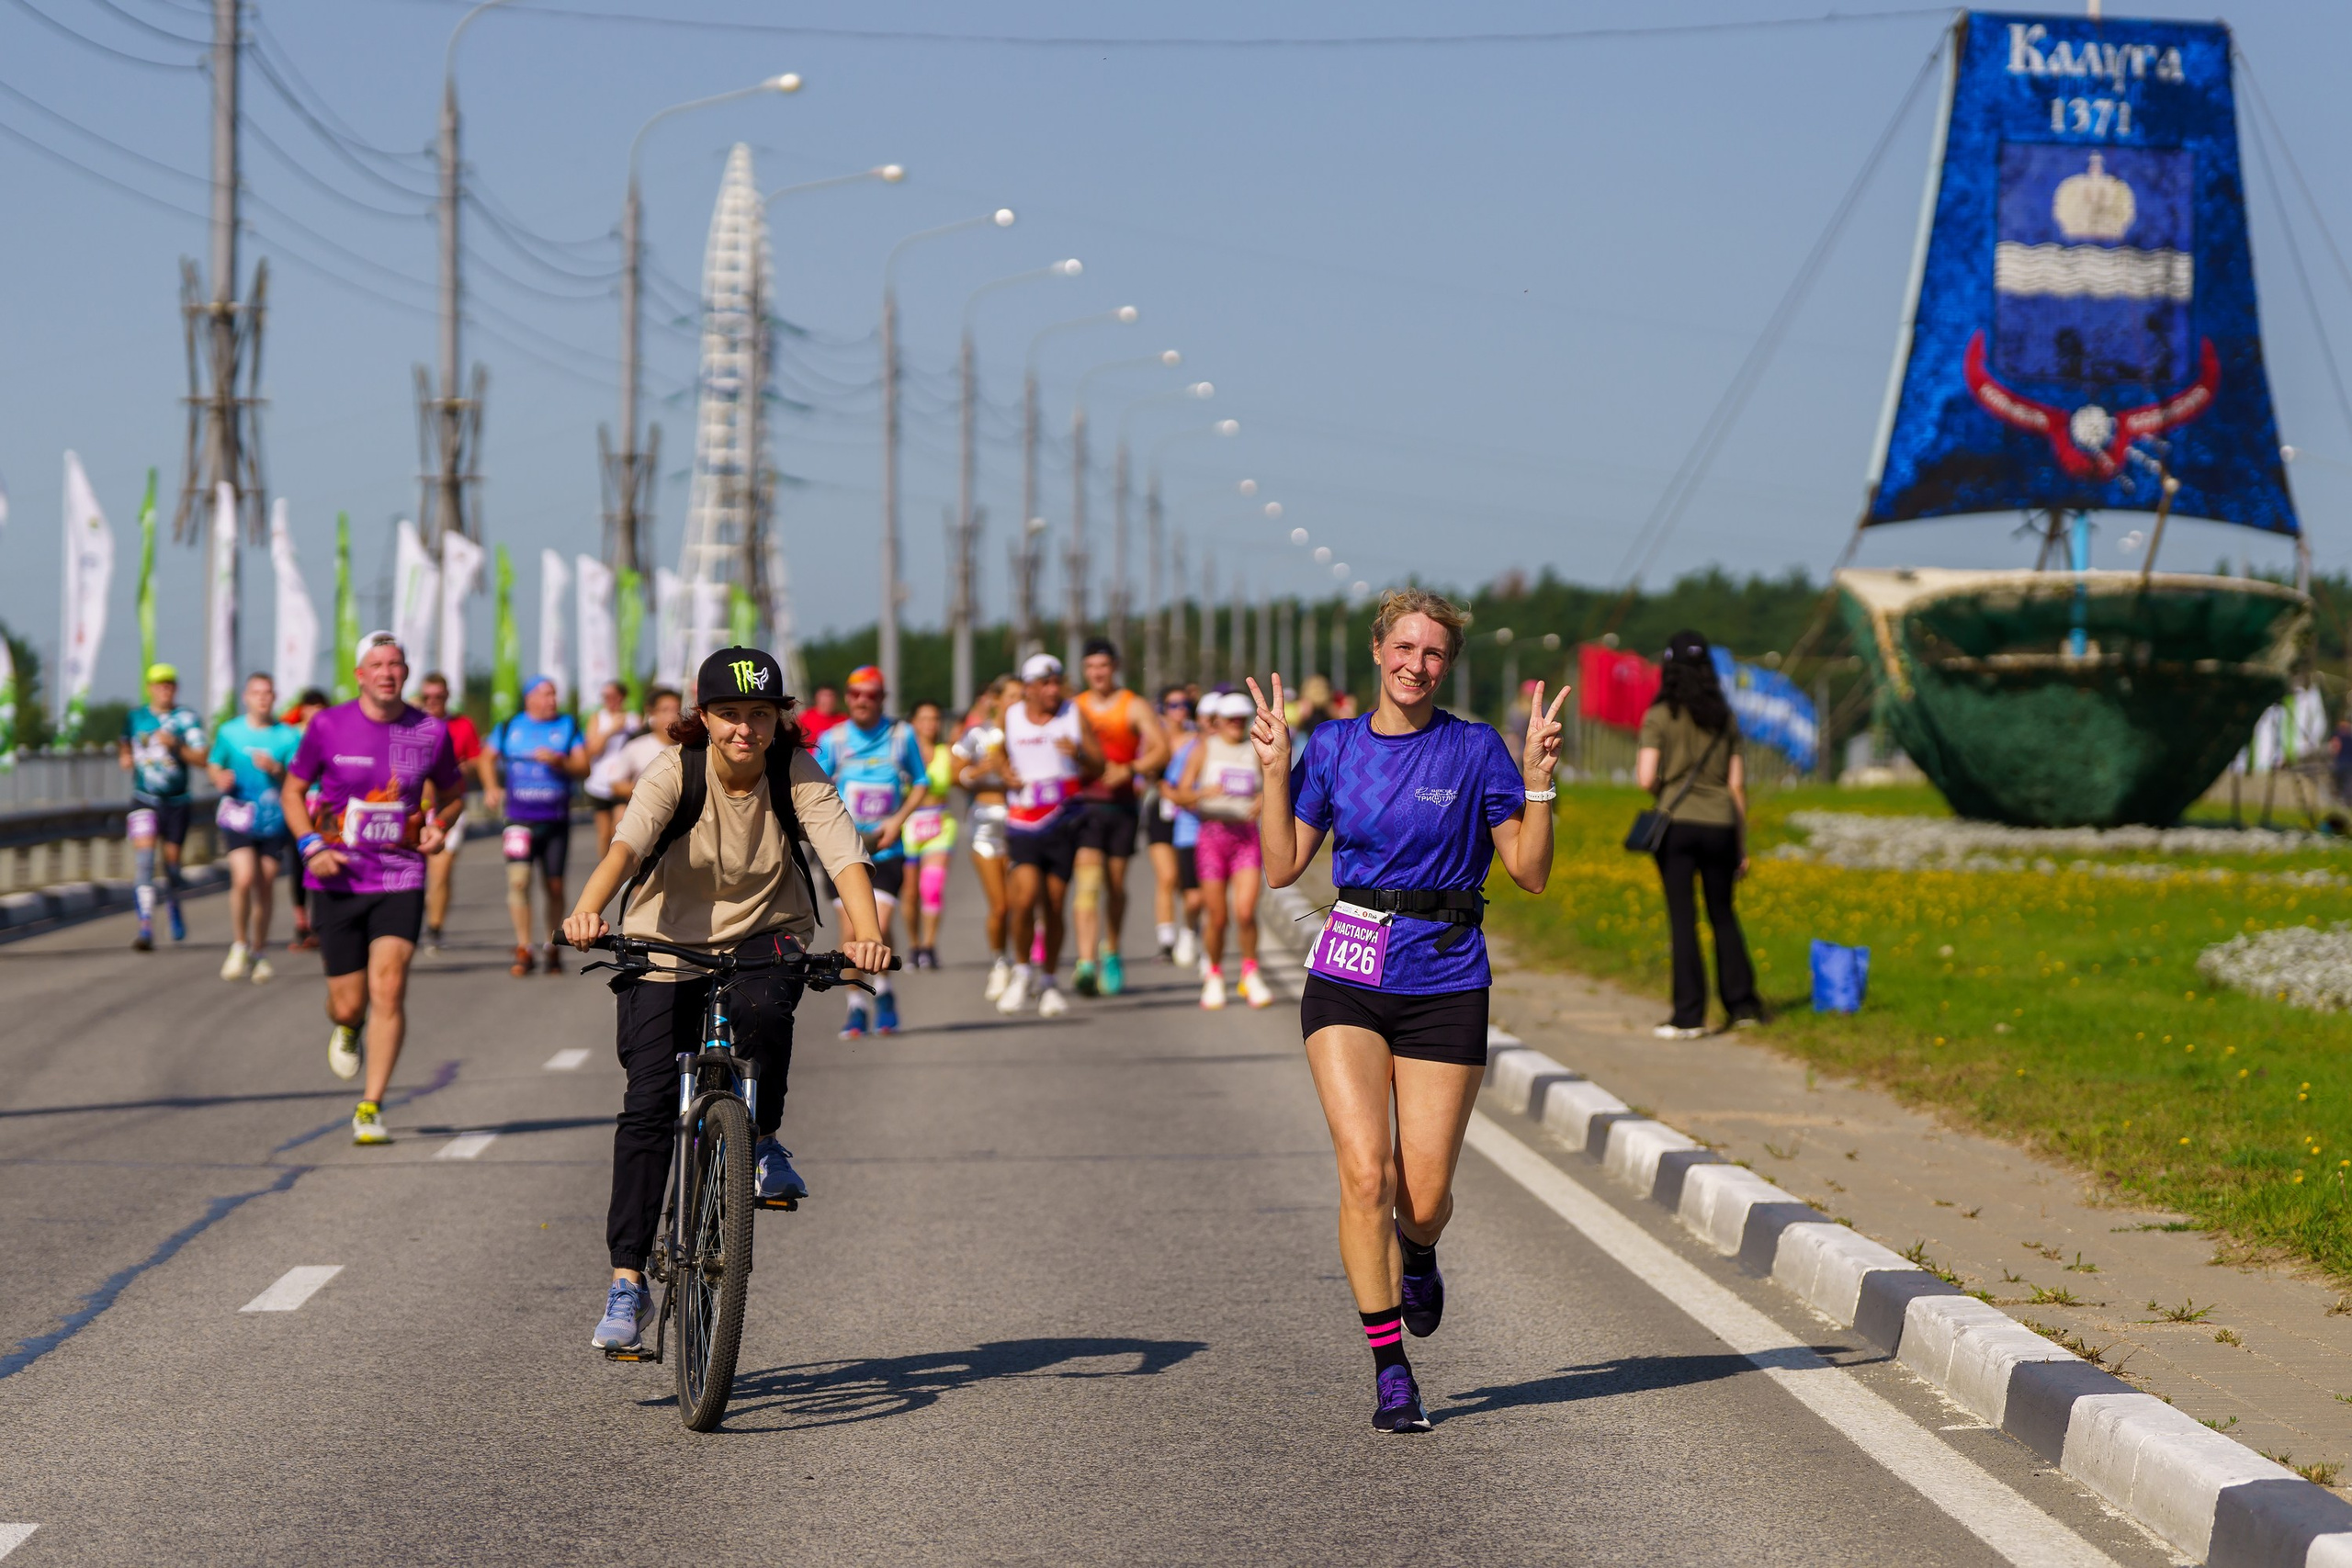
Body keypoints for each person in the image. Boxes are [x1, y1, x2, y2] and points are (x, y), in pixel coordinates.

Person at [1257, 588, 1568, 1433]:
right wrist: (1275, 769)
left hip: (1446, 974)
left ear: (1447, 665)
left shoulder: (1475, 750)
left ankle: (1420, 1253)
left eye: (1432, 653)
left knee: (1421, 1198)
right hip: (1350, 971)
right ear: (1378, 651)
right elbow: (1283, 864)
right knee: (1368, 1172)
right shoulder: (1335, 746)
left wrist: (1538, 787)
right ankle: (1392, 1368)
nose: (1415, 664)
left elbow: (1530, 873)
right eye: (1403, 648)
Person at [562, 646, 889, 1353]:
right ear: (703, 716)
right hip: (663, 937)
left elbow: (845, 855)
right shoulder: (673, 772)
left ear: (779, 720)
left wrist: (867, 933)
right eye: (731, 714)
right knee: (648, 1105)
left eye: (761, 714)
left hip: (764, 932)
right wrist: (588, 911)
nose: (746, 729)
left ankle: (762, 1137)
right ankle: (628, 1281)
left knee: (767, 1010)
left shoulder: (793, 771)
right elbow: (623, 850)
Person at [282, 632, 466, 1145]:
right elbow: (293, 791)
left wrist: (439, 824)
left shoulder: (429, 730)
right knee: (348, 1002)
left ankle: (371, 1104)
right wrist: (309, 846)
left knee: (389, 985)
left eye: (397, 664)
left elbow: (452, 793)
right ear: (360, 674)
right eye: (377, 664)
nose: (387, 672)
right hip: (336, 874)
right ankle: (347, 1026)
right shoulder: (326, 725)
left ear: (405, 674)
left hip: (399, 875)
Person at [1635, 630, 1762, 1038]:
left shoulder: (1660, 715)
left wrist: (1665, 790)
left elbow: (1645, 777)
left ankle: (1689, 1016)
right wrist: (1741, 844)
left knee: (1683, 919)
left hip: (1677, 825)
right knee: (1723, 914)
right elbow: (1737, 786)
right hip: (1722, 826)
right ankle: (1744, 1006)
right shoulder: (1725, 718)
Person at [811, 666, 927, 1036]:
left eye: (872, 695)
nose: (864, 701)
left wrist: (899, 820)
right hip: (844, 851)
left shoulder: (901, 735)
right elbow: (812, 788)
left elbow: (921, 782)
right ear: (848, 698)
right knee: (851, 933)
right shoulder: (835, 739)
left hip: (886, 850)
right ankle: (858, 1004)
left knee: (878, 926)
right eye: (857, 694)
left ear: (883, 699)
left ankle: (886, 991)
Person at [995, 653, 1102, 1017]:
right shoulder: (1010, 715)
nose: (1054, 689)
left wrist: (1081, 753)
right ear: (1029, 687)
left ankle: (1050, 980)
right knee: (1024, 899)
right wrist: (1004, 772)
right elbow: (995, 751)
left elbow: (1099, 764)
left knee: (1054, 905)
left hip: (1063, 819)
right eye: (1045, 683)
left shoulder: (1073, 714)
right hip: (1024, 821)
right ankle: (1022, 970)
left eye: (1057, 682)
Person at [1069, 638, 1169, 998]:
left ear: (1115, 667)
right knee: (1088, 883)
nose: (1098, 673)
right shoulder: (1073, 707)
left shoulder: (1133, 705)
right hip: (1083, 805)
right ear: (1084, 670)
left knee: (1115, 885)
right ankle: (1084, 962)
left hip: (1122, 806)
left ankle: (1110, 949)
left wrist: (1131, 769)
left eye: (1104, 666)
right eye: (1091, 667)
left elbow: (1161, 748)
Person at [1165, 691, 1273, 1010]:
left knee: (1245, 910)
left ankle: (1250, 972)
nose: (1235, 725)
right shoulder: (1203, 749)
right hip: (1211, 837)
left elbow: (1274, 785)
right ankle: (1213, 973)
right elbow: (1179, 794)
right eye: (1230, 720)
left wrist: (1263, 799)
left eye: (1241, 719)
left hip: (1245, 837)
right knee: (1217, 915)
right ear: (1218, 722)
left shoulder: (1253, 749)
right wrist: (1200, 793)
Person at [484, 675, 588, 976]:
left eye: (554, 694)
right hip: (518, 818)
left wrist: (561, 763)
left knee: (554, 887)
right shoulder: (509, 727)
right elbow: (485, 758)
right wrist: (491, 786)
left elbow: (584, 767)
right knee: (518, 881)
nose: (552, 700)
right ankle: (524, 947)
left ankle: (551, 946)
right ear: (529, 698)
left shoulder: (568, 725)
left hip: (555, 820)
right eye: (545, 695)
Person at [207, 672, 301, 983]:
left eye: (268, 693)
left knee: (266, 883)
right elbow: (214, 764)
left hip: (273, 819)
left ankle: (259, 951)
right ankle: (239, 944)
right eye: (256, 693)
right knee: (244, 877)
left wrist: (277, 769)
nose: (262, 698)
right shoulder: (230, 732)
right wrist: (219, 777)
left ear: (274, 698)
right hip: (239, 815)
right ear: (246, 697)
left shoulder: (287, 737)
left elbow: (299, 780)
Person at [119, 663, 209, 951]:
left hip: (177, 801)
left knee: (171, 865)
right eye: (159, 684)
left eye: (169, 684)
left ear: (176, 687)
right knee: (144, 862)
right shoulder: (136, 717)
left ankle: (173, 903)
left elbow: (203, 758)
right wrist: (125, 758)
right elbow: (124, 743)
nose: (164, 689)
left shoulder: (187, 719)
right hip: (144, 797)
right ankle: (145, 927)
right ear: (149, 688)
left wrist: (177, 747)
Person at [955, 676, 1020, 999]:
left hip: (1021, 822)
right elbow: (956, 775)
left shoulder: (1027, 733)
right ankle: (999, 962)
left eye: (1021, 696)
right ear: (994, 699)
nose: (1015, 702)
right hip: (985, 822)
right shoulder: (978, 734)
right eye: (1009, 696)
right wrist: (981, 771)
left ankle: (1025, 966)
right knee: (1001, 906)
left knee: (1025, 902)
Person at [413, 672, 485, 953]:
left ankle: (434, 927)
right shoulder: (411, 724)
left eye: (438, 697)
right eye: (427, 697)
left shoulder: (462, 725)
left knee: (440, 871)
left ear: (447, 697)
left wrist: (460, 769)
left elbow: (476, 761)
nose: (432, 702)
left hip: (449, 808)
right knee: (416, 873)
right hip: (415, 810)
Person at [899, 698, 958, 970]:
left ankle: (930, 946)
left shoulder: (947, 752)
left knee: (932, 888)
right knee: (910, 892)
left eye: (935, 719)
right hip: (909, 825)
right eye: (924, 718)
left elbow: (965, 775)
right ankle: (914, 945)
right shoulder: (901, 754)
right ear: (913, 723)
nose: (930, 724)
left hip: (939, 825)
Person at [1143, 685, 1199, 964]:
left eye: (1184, 704)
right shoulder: (1155, 738)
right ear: (1162, 708)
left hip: (1190, 815)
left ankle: (1190, 931)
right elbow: (1142, 772)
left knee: (1188, 884)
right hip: (1161, 814)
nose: (1179, 710)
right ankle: (1166, 941)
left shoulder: (1197, 739)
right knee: (1167, 877)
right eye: (1173, 705)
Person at [279, 687, 332, 951]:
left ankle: (321, 923)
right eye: (310, 707)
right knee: (298, 866)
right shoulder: (290, 735)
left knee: (321, 863)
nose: (314, 712)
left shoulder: (333, 734)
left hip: (324, 809)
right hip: (298, 807)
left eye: (320, 707)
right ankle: (301, 921)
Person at [582, 681, 639, 858]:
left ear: (622, 697)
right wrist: (610, 731)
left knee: (619, 829)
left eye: (613, 697)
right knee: (604, 834)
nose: (609, 701)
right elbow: (591, 750)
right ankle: (604, 870)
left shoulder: (633, 720)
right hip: (599, 783)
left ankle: (620, 870)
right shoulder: (598, 718)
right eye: (606, 697)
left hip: (622, 783)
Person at [608, 685, 684, 807]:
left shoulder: (692, 747)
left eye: (677, 709)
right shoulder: (636, 747)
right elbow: (616, 785)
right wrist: (651, 789)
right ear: (652, 713)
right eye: (665, 710)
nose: (672, 716)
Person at [799, 682, 847, 747]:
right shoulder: (804, 718)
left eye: (831, 696)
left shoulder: (844, 721)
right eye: (825, 696)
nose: (828, 700)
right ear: (816, 698)